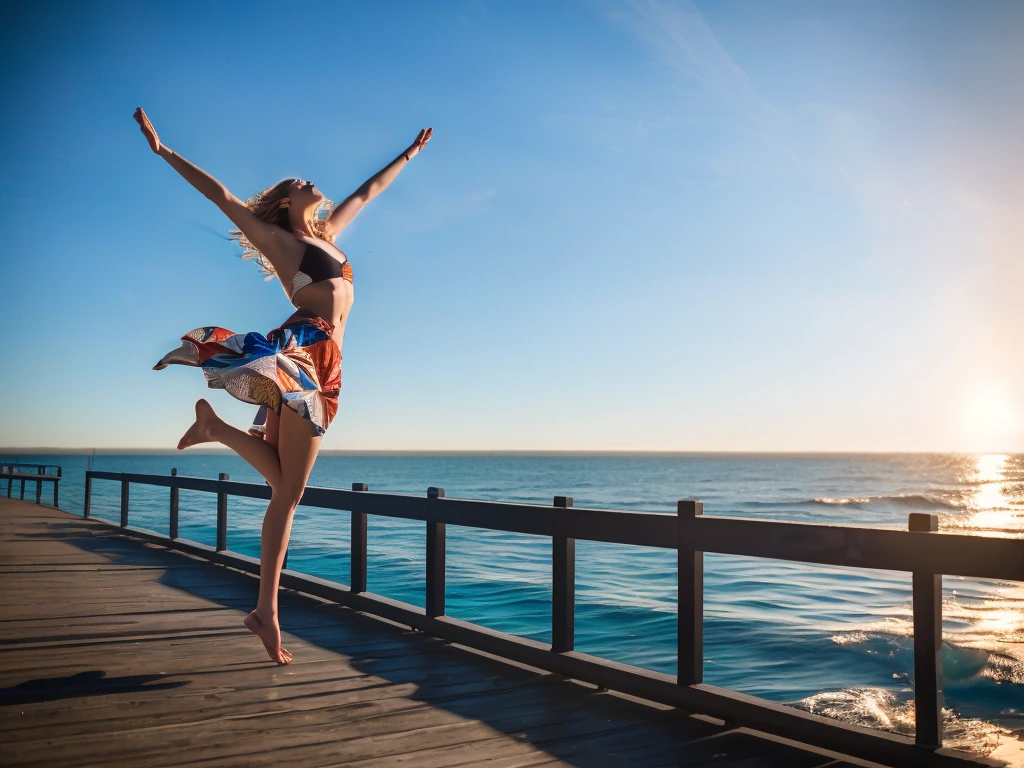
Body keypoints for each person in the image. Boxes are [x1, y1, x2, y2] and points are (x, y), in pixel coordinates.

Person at [135, 107, 431, 664]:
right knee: (289, 492)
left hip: (330, 361)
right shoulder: (277, 239)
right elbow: (221, 196)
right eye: (299, 183)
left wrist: (410, 154)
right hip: (297, 353)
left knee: (285, 492)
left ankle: (263, 607)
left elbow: (367, 193)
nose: (310, 181)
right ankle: (265, 609)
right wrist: (164, 151)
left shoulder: (327, 234)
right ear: (284, 201)